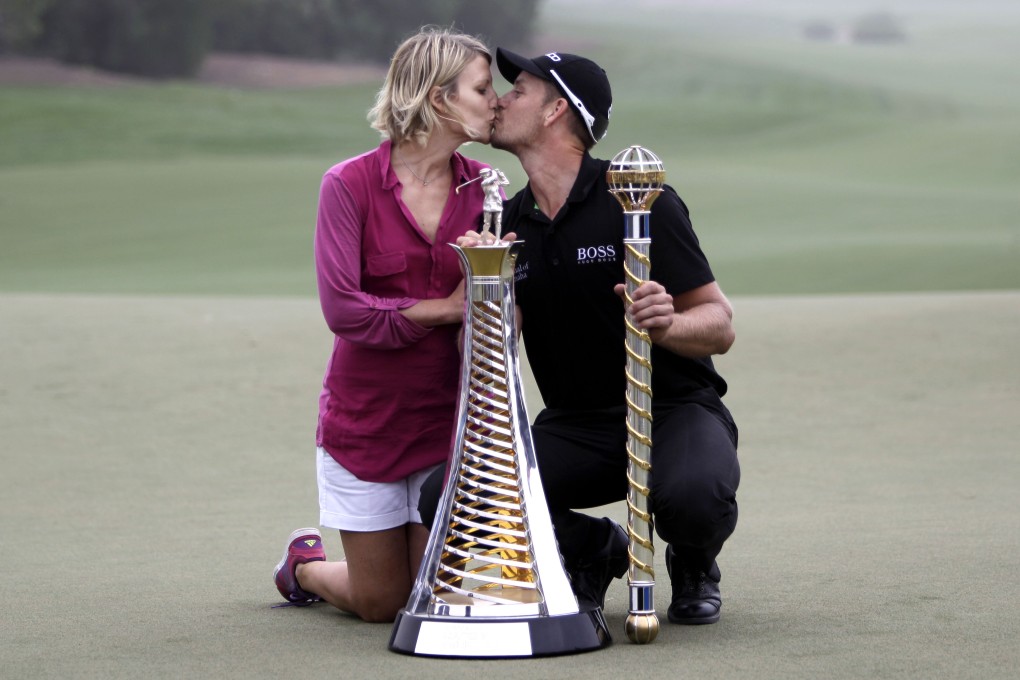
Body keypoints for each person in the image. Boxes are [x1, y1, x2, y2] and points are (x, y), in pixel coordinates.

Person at [419, 48, 740, 625]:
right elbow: (489, 354)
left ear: (554, 111)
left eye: (518, 91)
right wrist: (487, 316)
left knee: (693, 499)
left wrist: (667, 323)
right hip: (576, 424)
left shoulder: (639, 198)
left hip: (673, 409)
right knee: (451, 494)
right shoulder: (508, 225)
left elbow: (719, 325)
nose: (500, 99)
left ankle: (693, 560)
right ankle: (595, 548)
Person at [272, 27, 498, 623]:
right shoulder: (346, 185)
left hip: (448, 421)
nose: (495, 101)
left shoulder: (488, 190)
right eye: (482, 88)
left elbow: (498, 317)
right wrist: (450, 307)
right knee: (380, 604)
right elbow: (343, 311)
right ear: (438, 97)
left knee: (428, 598)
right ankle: (302, 567)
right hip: (365, 422)